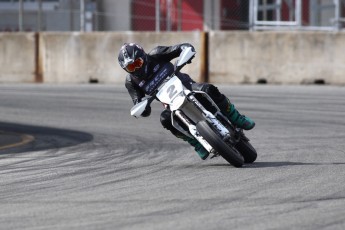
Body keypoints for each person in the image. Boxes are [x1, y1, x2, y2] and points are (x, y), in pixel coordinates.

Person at [118, 42, 255, 160]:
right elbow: (137, 102)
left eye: (137, 63)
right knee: (165, 119)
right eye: (130, 67)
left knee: (208, 89)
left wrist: (186, 52)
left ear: (143, 57)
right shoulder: (131, 81)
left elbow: (181, 47)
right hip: (171, 104)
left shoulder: (156, 54)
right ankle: (196, 143)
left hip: (188, 87)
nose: (136, 69)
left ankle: (236, 117)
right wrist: (143, 108)